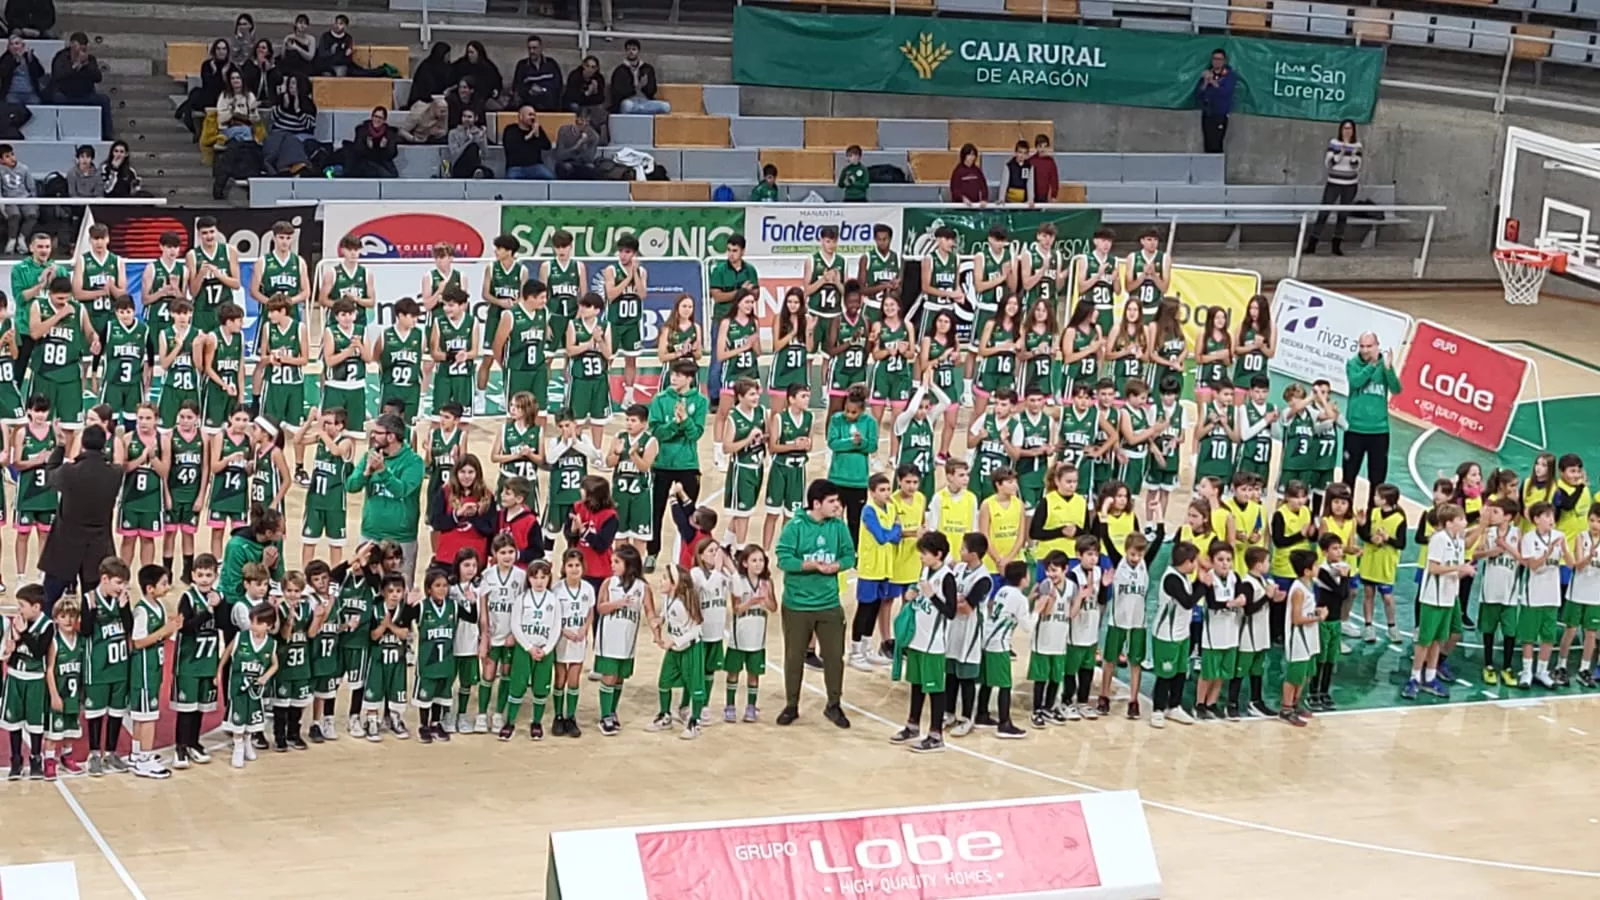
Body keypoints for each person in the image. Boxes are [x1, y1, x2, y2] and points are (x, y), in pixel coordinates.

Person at [774, 479, 855, 729]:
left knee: (834, 657)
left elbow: (849, 556)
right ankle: (791, 704)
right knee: (794, 657)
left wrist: (837, 565)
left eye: (838, 501)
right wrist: (808, 565)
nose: (837, 506)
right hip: (797, 604)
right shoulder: (795, 527)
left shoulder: (838, 526)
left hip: (829, 603)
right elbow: (783, 559)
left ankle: (834, 704)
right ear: (816, 503)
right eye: (832, 501)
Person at [36, 422, 118, 609]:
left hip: (66, 544)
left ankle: (45, 628)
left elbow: (50, 475)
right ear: (104, 445)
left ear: (82, 444)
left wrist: (60, 446)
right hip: (98, 546)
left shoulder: (69, 472)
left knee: (48, 601)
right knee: (95, 604)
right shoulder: (114, 474)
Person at [346, 413, 425, 585]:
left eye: (377, 432)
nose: (373, 436)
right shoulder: (370, 456)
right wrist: (366, 473)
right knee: (365, 586)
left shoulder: (414, 462)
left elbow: (402, 490)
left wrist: (382, 471)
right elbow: (351, 486)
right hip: (371, 534)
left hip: (401, 538)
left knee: (399, 587)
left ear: (391, 436)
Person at [646, 358, 708, 572]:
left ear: (689, 379)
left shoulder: (700, 401)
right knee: (655, 512)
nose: (673, 378)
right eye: (673, 374)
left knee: (688, 515)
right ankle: (652, 553)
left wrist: (685, 421)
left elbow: (696, 434)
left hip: (688, 465)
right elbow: (656, 431)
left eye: (679, 375)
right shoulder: (660, 400)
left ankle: (688, 555)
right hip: (661, 464)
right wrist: (675, 423)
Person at [1342, 332, 1400, 504]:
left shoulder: (1385, 365)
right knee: (1348, 476)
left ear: (1377, 346)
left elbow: (1396, 389)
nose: (1365, 350)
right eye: (1362, 346)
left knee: (1377, 480)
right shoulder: (1352, 364)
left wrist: (1388, 369)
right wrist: (1372, 365)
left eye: (1369, 346)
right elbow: (1356, 382)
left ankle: (1372, 516)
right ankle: (1345, 514)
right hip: (1355, 429)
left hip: (1379, 431)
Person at [1305, 119, 1363, 256]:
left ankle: (1336, 245)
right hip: (1334, 183)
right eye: (1345, 128)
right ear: (1341, 130)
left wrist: (1353, 156)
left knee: (1343, 215)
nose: (1347, 131)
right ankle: (1312, 244)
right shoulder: (1334, 143)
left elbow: (1356, 166)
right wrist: (1341, 154)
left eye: (1350, 128)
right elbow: (1329, 164)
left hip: (1350, 184)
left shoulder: (1358, 145)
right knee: (1324, 212)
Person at [49, 32, 112, 139]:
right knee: (56, 98)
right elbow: (57, 76)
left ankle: (107, 135)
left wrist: (87, 65)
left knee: (104, 100)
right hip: (66, 95)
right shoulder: (61, 57)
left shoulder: (90, 59)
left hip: (85, 94)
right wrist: (74, 67)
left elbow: (98, 78)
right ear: (72, 44)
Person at [609, 39, 667, 115]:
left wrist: (645, 86)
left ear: (638, 51)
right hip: (629, 101)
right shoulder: (619, 71)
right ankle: (642, 110)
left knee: (665, 106)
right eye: (628, 49)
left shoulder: (648, 69)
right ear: (625, 52)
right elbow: (618, 92)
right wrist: (637, 87)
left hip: (645, 101)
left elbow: (652, 91)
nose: (631, 52)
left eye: (634, 49)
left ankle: (640, 109)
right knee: (627, 106)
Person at [1195, 48, 1235, 154]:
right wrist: (1205, 82)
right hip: (1207, 113)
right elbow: (1199, 94)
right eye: (1214, 59)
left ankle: (1217, 164)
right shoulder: (1207, 73)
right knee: (1207, 144)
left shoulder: (1229, 75)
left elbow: (1226, 92)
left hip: (1220, 115)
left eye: (1219, 59)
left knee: (1216, 144)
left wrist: (1212, 81)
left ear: (1224, 61)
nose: (1216, 62)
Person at [0, 142, 36, 252]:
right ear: (1, 160)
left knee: (32, 215)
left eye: (12, 154)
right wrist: (2, 205)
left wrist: (34, 202)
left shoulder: (24, 168)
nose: (12, 158)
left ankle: (22, 238)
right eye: (7, 156)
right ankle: (12, 240)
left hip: (25, 199)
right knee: (15, 215)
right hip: (9, 200)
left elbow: (31, 187)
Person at [511, 34, 562, 112]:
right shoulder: (522, 65)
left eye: (534, 48)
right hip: (529, 103)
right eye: (529, 48)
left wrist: (542, 90)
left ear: (541, 48)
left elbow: (558, 85)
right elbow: (517, 86)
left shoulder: (551, 64)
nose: (532, 51)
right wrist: (529, 91)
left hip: (549, 103)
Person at [503, 105, 553, 180]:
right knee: (510, 179)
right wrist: (531, 133)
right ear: (521, 117)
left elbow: (547, 146)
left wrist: (537, 135)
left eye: (534, 115)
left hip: (536, 167)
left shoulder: (537, 130)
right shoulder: (511, 129)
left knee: (550, 178)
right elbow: (512, 146)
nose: (532, 117)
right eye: (530, 115)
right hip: (516, 167)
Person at [346, 106, 398, 179]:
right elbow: (358, 150)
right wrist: (370, 148)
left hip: (382, 162)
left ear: (384, 120)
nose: (377, 119)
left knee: (391, 175)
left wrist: (382, 148)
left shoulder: (389, 133)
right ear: (372, 117)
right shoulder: (362, 130)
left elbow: (392, 153)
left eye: (380, 118)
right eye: (375, 116)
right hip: (365, 162)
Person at [452, 41, 504, 109]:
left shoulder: (487, 66)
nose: (470, 55)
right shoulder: (461, 65)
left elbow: (497, 82)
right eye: (468, 52)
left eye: (472, 52)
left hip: (484, 99)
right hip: (462, 99)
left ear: (478, 53)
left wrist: (496, 91)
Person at [552, 109, 600, 180]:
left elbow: (589, 159)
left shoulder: (594, 136)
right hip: (566, 162)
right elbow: (560, 155)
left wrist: (584, 144)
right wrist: (577, 146)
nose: (584, 123)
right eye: (582, 120)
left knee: (591, 168)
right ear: (576, 118)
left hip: (582, 164)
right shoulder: (564, 130)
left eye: (587, 121)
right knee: (566, 168)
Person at [0, 34, 46, 107]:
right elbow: (3, 73)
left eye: (17, 43)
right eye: (11, 44)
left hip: (30, 93)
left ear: (23, 45)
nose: (14, 46)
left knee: (36, 102)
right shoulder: (5, 58)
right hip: (12, 93)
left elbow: (41, 73)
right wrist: (16, 61)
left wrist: (31, 61)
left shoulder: (29, 57)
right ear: (8, 47)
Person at [407, 41, 454, 109]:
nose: (448, 58)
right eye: (447, 55)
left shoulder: (447, 67)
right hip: (424, 102)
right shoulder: (426, 67)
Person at [562, 54, 606, 123]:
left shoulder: (599, 78)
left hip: (590, 103)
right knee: (575, 106)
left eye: (593, 67)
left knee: (599, 108)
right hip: (575, 103)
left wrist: (595, 91)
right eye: (587, 66)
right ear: (583, 66)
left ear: (596, 69)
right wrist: (587, 93)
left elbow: (600, 99)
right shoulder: (575, 76)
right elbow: (572, 96)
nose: (590, 69)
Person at [1030, 134, 1058, 205]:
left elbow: (1054, 179)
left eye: (1045, 146)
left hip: (1044, 196)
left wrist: (1053, 196)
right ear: (1036, 147)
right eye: (1040, 146)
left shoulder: (1050, 162)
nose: (1042, 149)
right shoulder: (1031, 161)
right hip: (1031, 196)